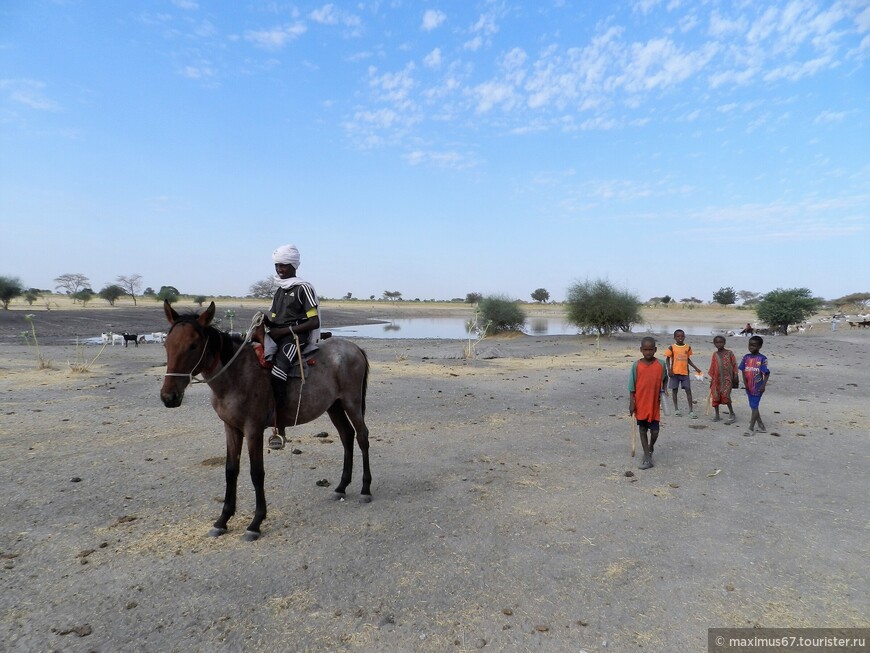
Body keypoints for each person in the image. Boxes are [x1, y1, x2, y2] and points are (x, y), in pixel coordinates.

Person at [264, 244, 320, 449]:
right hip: (277, 335)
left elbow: (314, 322)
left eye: (284, 266)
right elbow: (273, 319)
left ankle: (280, 429)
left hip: (295, 338)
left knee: (278, 373)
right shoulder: (279, 290)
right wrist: (262, 321)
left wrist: (284, 331)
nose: (280, 269)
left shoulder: (303, 288)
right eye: (278, 265)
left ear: (294, 266)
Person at [628, 336, 668, 470]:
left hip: (654, 404)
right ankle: (647, 456)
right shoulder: (636, 365)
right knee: (643, 429)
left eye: (651, 349)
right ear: (641, 350)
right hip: (641, 403)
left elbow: (665, 378)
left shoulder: (661, 364)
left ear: (655, 349)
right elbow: (631, 386)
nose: (648, 352)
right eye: (645, 350)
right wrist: (631, 403)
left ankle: (651, 447)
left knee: (655, 431)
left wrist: (665, 389)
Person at [665, 329, 703, 418]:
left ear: (684, 337)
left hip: (685, 373)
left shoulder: (688, 347)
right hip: (674, 373)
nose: (680, 338)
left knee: (688, 391)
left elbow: (688, 359)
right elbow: (667, 359)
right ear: (675, 338)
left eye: (682, 336)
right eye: (678, 336)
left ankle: (691, 410)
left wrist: (696, 368)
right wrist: (669, 370)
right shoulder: (671, 347)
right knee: (675, 391)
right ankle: (676, 409)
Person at [738, 335, 770, 436]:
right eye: (750, 345)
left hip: (757, 387)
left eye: (754, 346)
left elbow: (767, 373)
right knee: (753, 406)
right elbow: (743, 370)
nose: (751, 347)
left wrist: (763, 386)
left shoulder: (762, 359)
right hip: (748, 386)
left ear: (759, 346)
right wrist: (745, 383)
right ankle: (761, 425)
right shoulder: (746, 357)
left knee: (754, 406)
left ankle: (751, 428)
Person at [708, 335, 739, 424]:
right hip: (716, 380)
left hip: (727, 379)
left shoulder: (730, 353)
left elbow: (734, 365)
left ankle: (732, 413)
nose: (719, 344)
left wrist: (736, 375)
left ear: (724, 343)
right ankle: (717, 415)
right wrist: (712, 380)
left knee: (726, 396)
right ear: (714, 344)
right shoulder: (715, 354)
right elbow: (713, 368)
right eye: (717, 342)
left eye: (721, 342)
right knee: (715, 396)